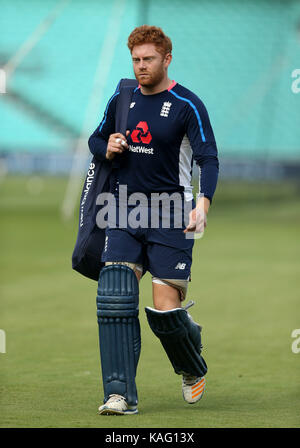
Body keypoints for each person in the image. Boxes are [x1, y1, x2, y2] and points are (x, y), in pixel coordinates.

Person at [88, 25, 219, 415]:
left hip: (173, 213)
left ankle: (191, 364)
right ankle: (119, 394)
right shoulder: (123, 97)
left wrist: (203, 205)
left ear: (166, 58)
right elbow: (97, 140)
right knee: (115, 295)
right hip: (125, 208)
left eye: (148, 59)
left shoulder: (186, 104)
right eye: (136, 60)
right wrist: (107, 146)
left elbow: (207, 158)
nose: (141, 66)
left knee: (164, 309)